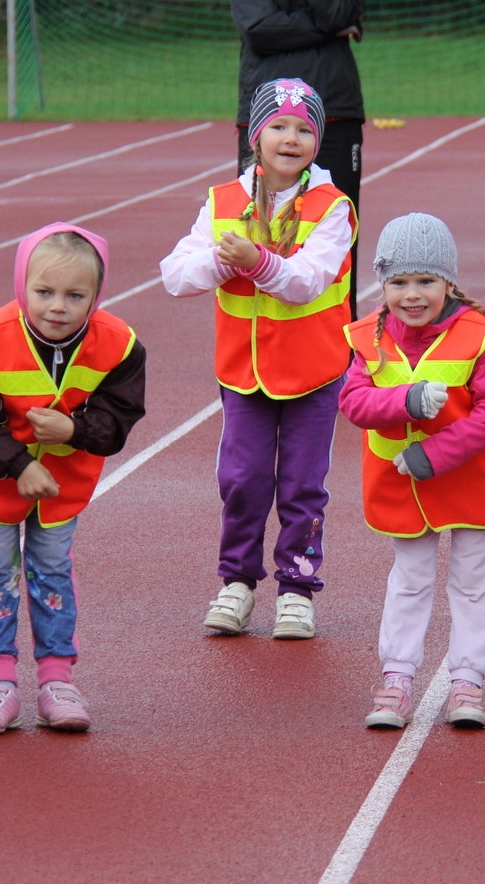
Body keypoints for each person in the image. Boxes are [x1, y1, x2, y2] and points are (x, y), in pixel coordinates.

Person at [0, 223, 146, 735]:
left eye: (75, 295)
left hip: (63, 487)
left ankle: (57, 678)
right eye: (44, 292)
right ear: (21, 286)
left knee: (51, 570)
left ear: (96, 296)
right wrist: (19, 463)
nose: (57, 306)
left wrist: (75, 428)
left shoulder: (120, 345)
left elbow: (120, 415)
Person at [160, 77, 356, 640]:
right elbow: (175, 275)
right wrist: (225, 264)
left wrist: (253, 260)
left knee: (301, 485)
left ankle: (296, 587)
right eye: (278, 126)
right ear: (255, 134)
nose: (289, 138)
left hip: (314, 373)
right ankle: (237, 583)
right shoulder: (222, 201)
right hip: (243, 375)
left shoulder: (332, 207)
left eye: (303, 129)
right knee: (242, 479)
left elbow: (305, 282)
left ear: (318, 141)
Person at [340, 213, 485, 731]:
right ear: (383, 284)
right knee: (410, 580)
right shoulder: (367, 337)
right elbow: (354, 402)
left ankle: (466, 681)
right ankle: (396, 678)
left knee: (473, 583)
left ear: (448, 282)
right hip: (403, 487)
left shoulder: (480, 336)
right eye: (398, 282)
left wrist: (433, 454)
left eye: (425, 281)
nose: (412, 295)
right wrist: (407, 400)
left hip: (472, 478)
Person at [229, 0, 365, 309]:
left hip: (336, 113)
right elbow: (259, 31)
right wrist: (327, 28)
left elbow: (340, 13)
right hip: (263, 116)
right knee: (260, 225)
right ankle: (263, 326)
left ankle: (343, 342)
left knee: (335, 227)